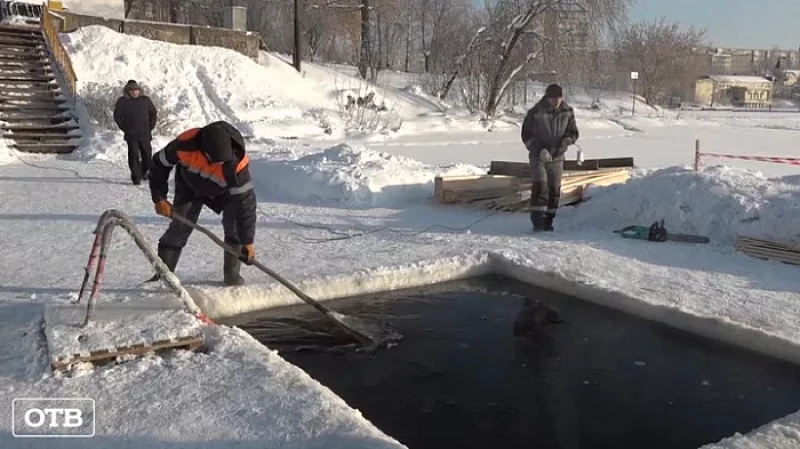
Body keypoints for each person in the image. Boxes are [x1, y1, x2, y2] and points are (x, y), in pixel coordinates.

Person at [147, 121, 257, 286]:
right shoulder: (184, 145)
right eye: (216, 161)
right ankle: (163, 277)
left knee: (234, 229)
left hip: (223, 193)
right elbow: (158, 165)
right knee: (179, 228)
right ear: (204, 151)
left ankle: (232, 277)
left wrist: (247, 241)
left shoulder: (237, 166)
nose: (220, 164)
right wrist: (159, 198)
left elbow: (245, 204)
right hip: (189, 186)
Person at [520, 84, 579, 232]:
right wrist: (539, 150)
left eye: (559, 98)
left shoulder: (567, 111)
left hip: (557, 156)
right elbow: (526, 135)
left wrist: (565, 143)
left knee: (554, 189)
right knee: (541, 186)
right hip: (538, 156)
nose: (556, 101)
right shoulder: (536, 112)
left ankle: (549, 221)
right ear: (547, 98)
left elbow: (573, 133)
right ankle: (538, 221)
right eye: (553, 98)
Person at [113, 80, 157, 185]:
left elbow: (153, 113)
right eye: (132, 90)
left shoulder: (145, 100)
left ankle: (145, 172)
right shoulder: (122, 101)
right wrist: (125, 128)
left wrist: (150, 126)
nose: (134, 92)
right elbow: (117, 116)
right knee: (133, 156)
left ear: (139, 90)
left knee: (147, 155)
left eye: (136, 90)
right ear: (128, 91)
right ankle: (136, 177)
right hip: (131, 134)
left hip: (145, 133)